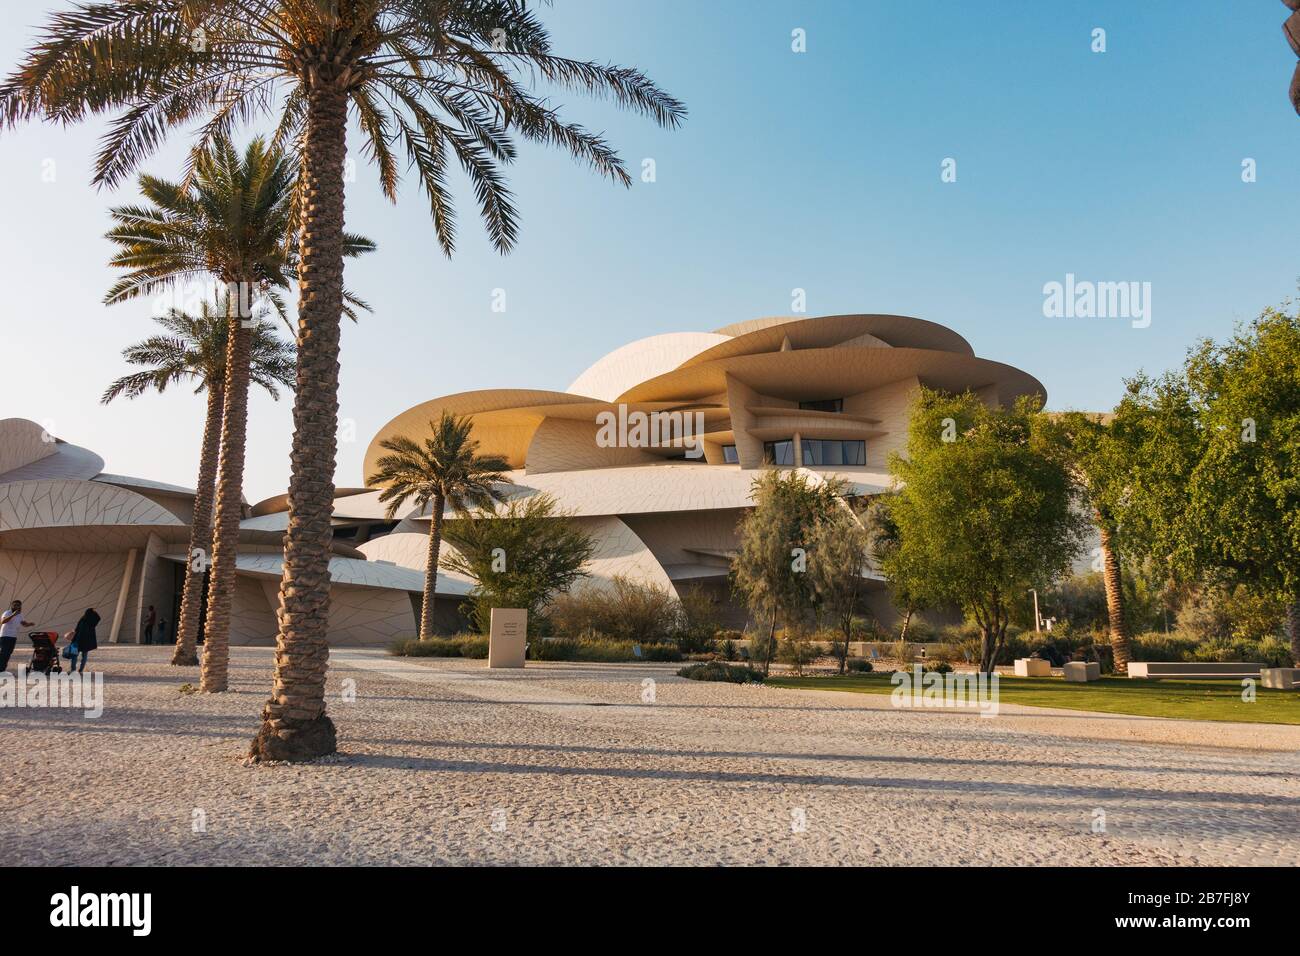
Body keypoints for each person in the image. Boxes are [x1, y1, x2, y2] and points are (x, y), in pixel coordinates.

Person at [0, 600, 35, 672]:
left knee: (9, 653)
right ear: (12, 606)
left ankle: (2, 668)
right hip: (5, 635)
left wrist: (29, 624)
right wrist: (13, 615)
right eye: (15, 605)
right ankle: (0, 668)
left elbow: (23, 623)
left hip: (13, 636)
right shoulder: (7, 612)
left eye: (18, 605)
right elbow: (3, 621)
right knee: (4, 653)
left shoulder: (20, 614)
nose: (17, 607)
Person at [70, 608, 100, 674]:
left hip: (78, 639)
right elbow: (98, 618)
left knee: (74, 655)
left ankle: (73, 670)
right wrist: (94, 612)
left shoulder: (83, 619)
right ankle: (81, 670)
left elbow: (77, 628)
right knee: (84, 656)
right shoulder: (92, 621)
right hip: (86, 641)